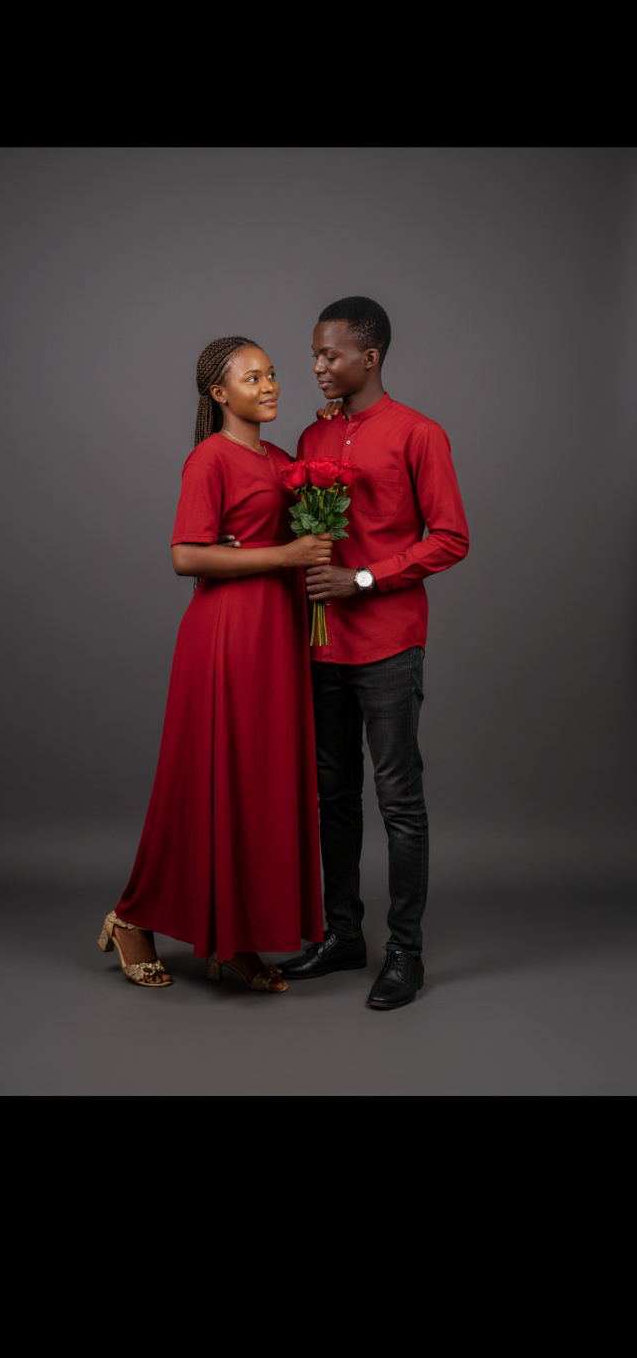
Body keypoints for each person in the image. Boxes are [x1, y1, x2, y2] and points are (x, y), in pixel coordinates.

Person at [98, 337, 327, 991]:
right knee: (205, 781)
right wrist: (285, 556)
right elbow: (186, 556)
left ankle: (237, 937)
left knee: (261, 784)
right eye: (252, 378)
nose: (271, 385)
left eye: (273, 374)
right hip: (224, 638)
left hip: (277, 637)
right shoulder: (208, 460)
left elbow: (293, 536)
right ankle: (132, 918)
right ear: (220, 395)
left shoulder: (284, 460)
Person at [280, 297, 469, 1009]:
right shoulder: (310, 438)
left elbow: (450, 537)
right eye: (315, 355)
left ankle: (405, 953)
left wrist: (362, 579)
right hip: (321, 646)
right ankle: (342, 935)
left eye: (330, 355)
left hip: (390, 645)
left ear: (371, 356)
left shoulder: (420, 434)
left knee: (399, 801)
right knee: (332, 797)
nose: (319, 367)